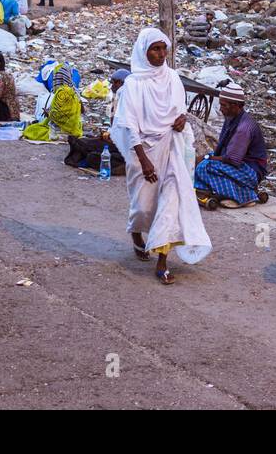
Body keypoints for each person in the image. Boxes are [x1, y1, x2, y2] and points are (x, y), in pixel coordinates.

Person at [111, 28, 211, 284]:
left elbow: (180, 111)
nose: (160, 54)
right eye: (155, 49)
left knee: (170, 204)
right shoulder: (133, 84)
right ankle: (136, 232)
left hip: (172, 148)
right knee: (144, 208)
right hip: (143, 151)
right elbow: (129, 125)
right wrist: (144, 160)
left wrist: (180, 120)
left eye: (163, 48)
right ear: (144, 51)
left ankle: (163, 261)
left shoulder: (173, 78)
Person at [193, 82, 268, 206]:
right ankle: (218, 191)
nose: (221, 108)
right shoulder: (231, 118)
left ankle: (246, 195)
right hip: (238, 164)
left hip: (250, 171)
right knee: (197, 162)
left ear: (235, 106)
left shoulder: (244, 128)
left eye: (223, 105)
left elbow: (232, 160)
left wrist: (207, 158)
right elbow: (222, 150)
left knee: (204, 167)